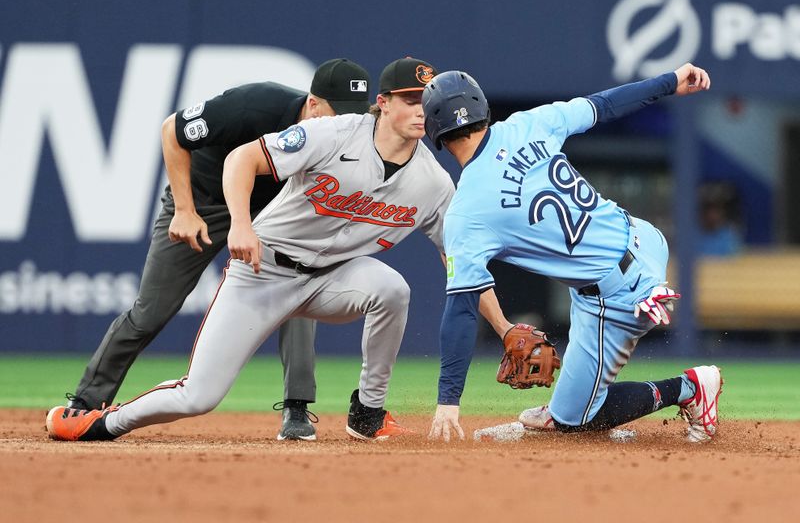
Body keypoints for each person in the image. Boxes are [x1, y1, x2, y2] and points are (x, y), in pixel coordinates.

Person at [47, 57, 492, 443]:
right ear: (384, 102)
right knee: (195, 389)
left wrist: (505, 327)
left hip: (321, 268)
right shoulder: (305, 123)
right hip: (235, 231)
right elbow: (234, 156)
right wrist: (230, 222)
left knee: (392, 289)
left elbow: (462, 260)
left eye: (426, 101)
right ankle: (98, 418)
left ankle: (362, 413)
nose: (421, 109)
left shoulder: (431, 181)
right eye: (410, 99)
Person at [64, 58, 371, 441]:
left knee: (297, 293)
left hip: (270, 216)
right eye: (335, 112)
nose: (342, 122)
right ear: (312, 103)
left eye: (353, 115)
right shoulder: (257, 105)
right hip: (203, 203)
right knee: (151, 311)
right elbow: (172, 131)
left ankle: (297, 410)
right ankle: (87, 401)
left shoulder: (352, 133)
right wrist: (184, 210)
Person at [422, 64, 723, 444]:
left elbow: (462, 309)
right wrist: (669, 81)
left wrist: (449, 399)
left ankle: (690, 388)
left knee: (575, 422)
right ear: (481, 106)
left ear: (436, 133)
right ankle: (569, 400)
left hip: (618, 295)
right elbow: (606, 104)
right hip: (643, 239)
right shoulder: (528, 125)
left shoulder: (466, 213)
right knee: (570, 398)